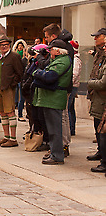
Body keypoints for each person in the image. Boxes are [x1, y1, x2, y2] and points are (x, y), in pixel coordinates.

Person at [32, 39, 72, 165]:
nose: (49, 51)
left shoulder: (62, 61)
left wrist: (37, 73)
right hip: (50, 98)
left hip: (54, 98)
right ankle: (55, 153)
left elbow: (50, 77)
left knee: (55, 129)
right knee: (51, 128)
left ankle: (57, 155)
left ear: (58, 51)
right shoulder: (57, 60)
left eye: (52, 49)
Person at [43, 23, 74, 156]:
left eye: (47, 38)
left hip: (61, 88)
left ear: (54, 36)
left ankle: (62, 145)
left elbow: (53, 71)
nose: (47, 42)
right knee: (61, 117)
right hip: (60, 87)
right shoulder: (64, 46)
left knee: (62, 117)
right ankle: (59, 146)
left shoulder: (63, 50)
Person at [0, 35, 24, 148]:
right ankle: (6, 136)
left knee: (10, 112)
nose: (4, 47)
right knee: (2, 112)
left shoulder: (14, 56)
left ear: (9, 45)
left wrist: (12, 84)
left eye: (6, 45)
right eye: (1, 45)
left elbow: (20, 73)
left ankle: (13, 139)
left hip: (8, 88)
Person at [87, 28, 106, 162]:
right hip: (95, 92)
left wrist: (91, 83)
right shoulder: (99, 52)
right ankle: (101, 151)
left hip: (101, 92)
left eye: (97, 36)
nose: (95, 39)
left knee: (101, 125)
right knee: (96, 123)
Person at [13, 39, 28, 121]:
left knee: (21, 97)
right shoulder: (18, 58)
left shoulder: (25, 58)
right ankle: (19, 114)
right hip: (19, 79)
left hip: (22, 79)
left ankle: (19, 114)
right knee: (19, 97)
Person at [68, 40, 81, 136]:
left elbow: (75, 74)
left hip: (72, 86)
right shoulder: (74, 58)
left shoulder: (75, 59)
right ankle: (71, 128)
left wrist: (68, 83)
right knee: (71, 108)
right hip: (73, 85)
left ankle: (70, 128)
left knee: (68, 108)